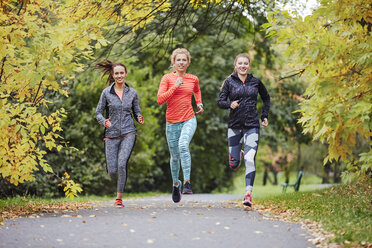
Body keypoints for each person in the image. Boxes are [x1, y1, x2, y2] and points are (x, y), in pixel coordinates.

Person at [217, 53, 270, 207]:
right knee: (234, 165)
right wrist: (229, 104)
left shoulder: (256, 82)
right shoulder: (229, 82)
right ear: (236, 65)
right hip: (234, 125)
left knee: (250, 158)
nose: (243, 66)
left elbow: (266, 98)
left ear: (249, 66)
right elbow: (220, 101)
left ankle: (248, 194)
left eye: (245, 63)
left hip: (252, 125)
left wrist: (264, 115)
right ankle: (237, 155)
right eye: (240, 63)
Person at [95, 60, 144, 208]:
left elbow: (137, 111)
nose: (119, 75)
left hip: (129, 132)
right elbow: (98, 113)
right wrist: (104, 122)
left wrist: (139, 117)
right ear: (113, 75)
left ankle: (119, 199)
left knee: (122, 164)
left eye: (122, 73)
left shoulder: (132, 93)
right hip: (111, 134)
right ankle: (110, 166)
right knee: (113, 170)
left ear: (126, 74)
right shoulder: (106, 93)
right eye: (116, 73)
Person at [157, 48, 204, 203]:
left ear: (188, 62)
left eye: (184, 60)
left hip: (189, 118)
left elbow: (196, 91)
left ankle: (187, 183)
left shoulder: (193, 79)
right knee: (175, 156)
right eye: (179, 60)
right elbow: (159, 100)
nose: (181, 62)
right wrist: (175, 86)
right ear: (174, 62)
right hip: (171, 122)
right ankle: (175, 184)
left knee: (183, 145)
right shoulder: (167, 78)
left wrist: (199, 103)